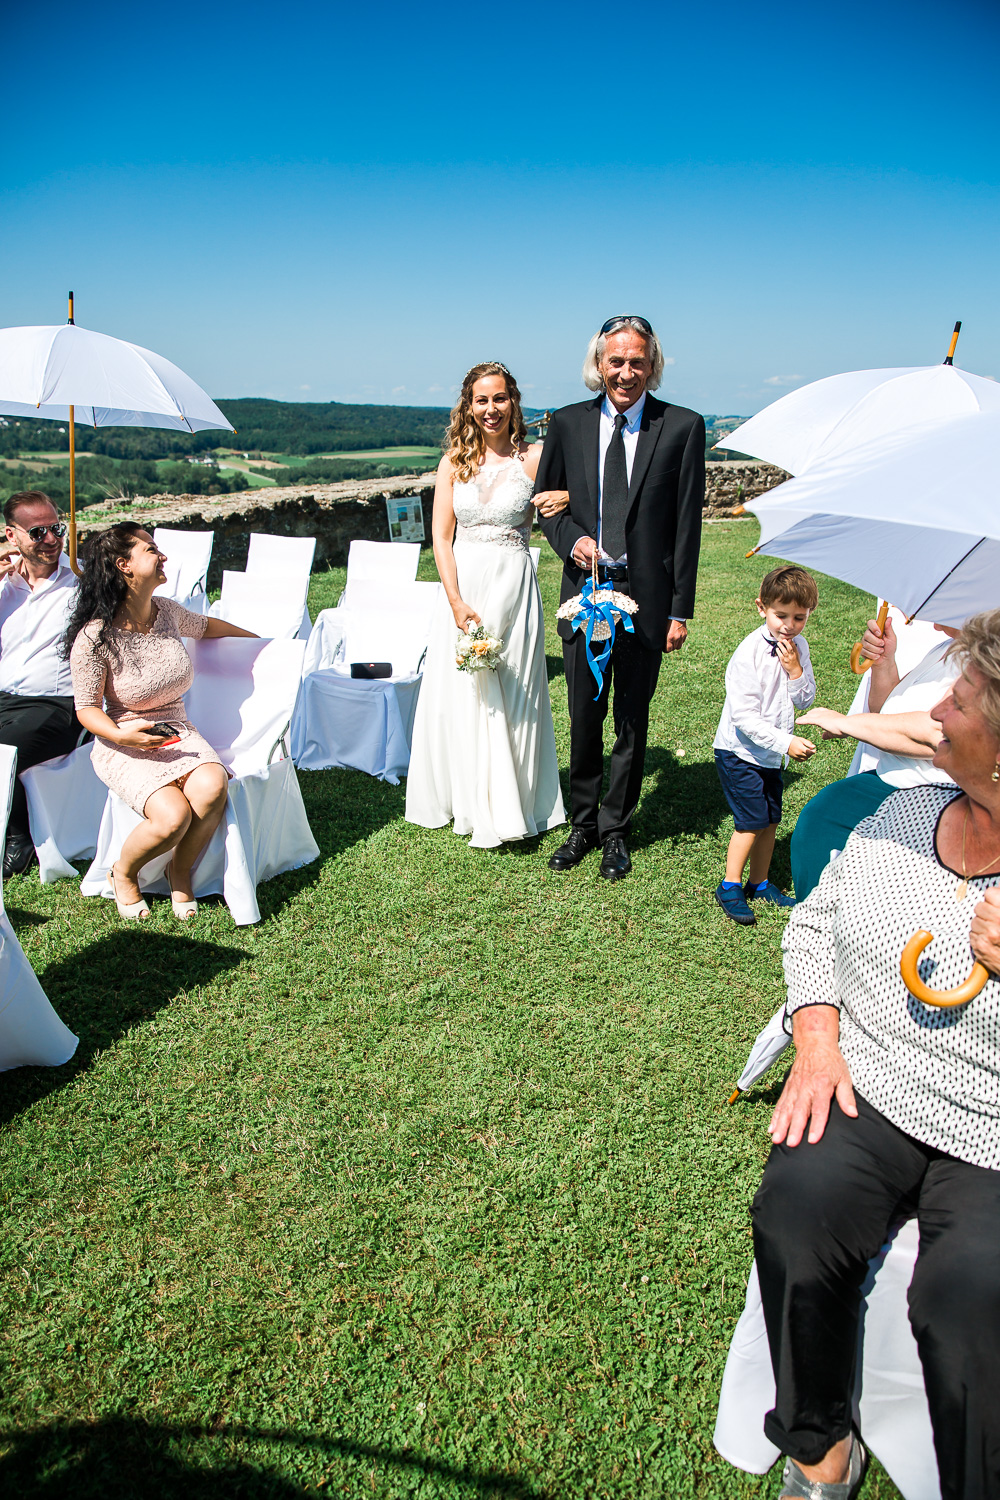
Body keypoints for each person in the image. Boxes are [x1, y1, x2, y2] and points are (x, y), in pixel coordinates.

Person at [750, 608, 1000, 1499]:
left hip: (995, 1141)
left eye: (962, 699)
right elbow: (813, 922)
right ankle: (820, 1446)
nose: (939, 710)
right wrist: (817, 1032)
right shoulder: (908, 809)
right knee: (796, 1204)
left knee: (968, 1301)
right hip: (880, 1081)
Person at [534, 315, 705, 881]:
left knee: (632, 719)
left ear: (652, 365)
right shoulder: (566, 424)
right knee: (585, 715)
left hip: (645, 596)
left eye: (637, 361)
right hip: (584, 594)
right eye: (616, 361)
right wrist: (572, 540)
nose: (626, 372)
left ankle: (616, 830)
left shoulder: (681, 427)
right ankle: (582, 823)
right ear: (598, 364)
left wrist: (679, 609)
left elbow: (686, 527)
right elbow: (546, 506)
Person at [404, 362, 568, 848]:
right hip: (464, 584)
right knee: (464, 689)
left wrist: (566, 494)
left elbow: (571, 504)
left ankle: (515, 800)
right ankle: (469, 798)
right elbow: (440, 535)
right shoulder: (454, 462)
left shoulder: (536, 457)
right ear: (468, 406)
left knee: (514, 689)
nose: (491, 409)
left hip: (514, 583)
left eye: (499, 398)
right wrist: (454, 600)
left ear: (513, 401)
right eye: (481, 400)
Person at [65, 523, 256, 921]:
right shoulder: (95, 638)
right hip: (124, 739)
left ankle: (180, 872)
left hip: (177, 729)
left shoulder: (167, 612)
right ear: (124, 565)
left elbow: (207, 627)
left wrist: (263, 644)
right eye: (152, 549)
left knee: (211, 786)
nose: (162, 555)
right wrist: (122, 735)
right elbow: (86, 708)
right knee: (173, 818)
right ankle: (124, 872)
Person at [790, 616, 961, 899]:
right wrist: (884, 663)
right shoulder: (945, 648)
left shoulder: (985, 662)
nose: (934, 623)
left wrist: (847, 723)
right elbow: (889, 711)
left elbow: (940, 736)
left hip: (933, 794)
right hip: (891, 780)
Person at [713, 566, 818, 926]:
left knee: (771, 819)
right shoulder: (749, 654)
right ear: (762, 608)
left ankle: (759, 882)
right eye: (781, 615)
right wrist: (787, 742)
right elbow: (744, 718)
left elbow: (804, 700)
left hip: (771, 754)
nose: (789, 625)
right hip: (739, 751)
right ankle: (730, 886)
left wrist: (795, 671)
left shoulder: (798, 647)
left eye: (799, 617)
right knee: (751, 820)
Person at [0, 491, 85, 878]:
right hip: (4, 696)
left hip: (55, 704)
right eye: (37, 532)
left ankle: (18, 836)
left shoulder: (82, 584)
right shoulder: (5, 586)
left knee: (5, 749)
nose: (51, 539)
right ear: (11, 535)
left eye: (56, 528)